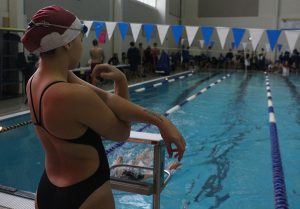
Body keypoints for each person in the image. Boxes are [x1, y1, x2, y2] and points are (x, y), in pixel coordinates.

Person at [21, 5, 185, 209]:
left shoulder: (36, 81)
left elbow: (104, 98)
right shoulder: (71, 95)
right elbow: (122, 132)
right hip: (86, 194)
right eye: (81, 41)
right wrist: (122, 86)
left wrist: (159, 120)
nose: (82, 46)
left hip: (48, 190)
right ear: (67, 45)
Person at [111, 148, 181, 181]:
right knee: (143, 157)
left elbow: (119, 158)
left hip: (127, 173)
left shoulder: (116, 171)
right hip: (134, 174)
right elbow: (158, 174)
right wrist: (171, 168)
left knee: (143, 157)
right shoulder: (139, 175)